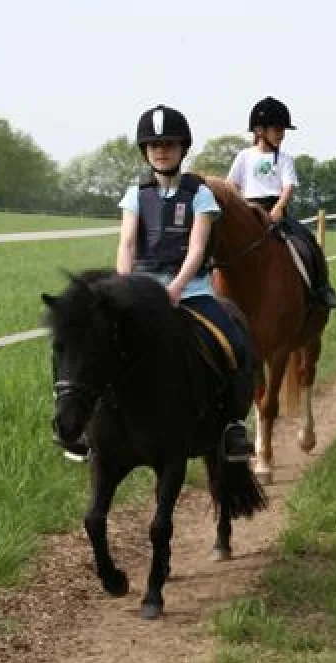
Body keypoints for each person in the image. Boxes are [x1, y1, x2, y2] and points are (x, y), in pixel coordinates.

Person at [90, 104, 255, 463]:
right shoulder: (136, 193)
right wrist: (123, 285)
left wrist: (177, 287)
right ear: (145, 151)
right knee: (96, 341)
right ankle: (93, 427)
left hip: (191, 288)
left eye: (168, 143)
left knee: (233, 340)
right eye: (153, 145)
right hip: (142, 286)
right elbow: (128, 243)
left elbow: (197, 247)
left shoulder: (200, 194)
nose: (161, 150)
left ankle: (232, 426)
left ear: (183, 148)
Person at [227, 96, 336, 309]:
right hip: (249, 211)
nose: (282, 135)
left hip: (275, 210)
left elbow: (289, 186)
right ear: (260, 131)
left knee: (307, 241)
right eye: (278, 129)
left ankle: (322, 289)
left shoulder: (285, 159)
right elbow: (231, 184)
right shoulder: (244, 156)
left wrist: (279, 208)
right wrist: (241, 206)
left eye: (283, 130)